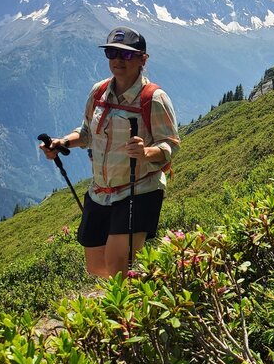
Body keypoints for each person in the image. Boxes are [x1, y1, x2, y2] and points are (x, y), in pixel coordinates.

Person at [40, 27, 180, 278]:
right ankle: (139, 293)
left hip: (139, 190)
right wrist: (62, 143)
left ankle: (132, 311)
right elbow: (86, 133)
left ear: (142, 59)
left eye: (126, 55)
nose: (117, 60)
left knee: (117, 268)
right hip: (100, 191)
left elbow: (171, 145)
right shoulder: (98, 92)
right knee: (96, 268)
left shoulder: (154, 99)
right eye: (112, 53)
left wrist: (146, 152)